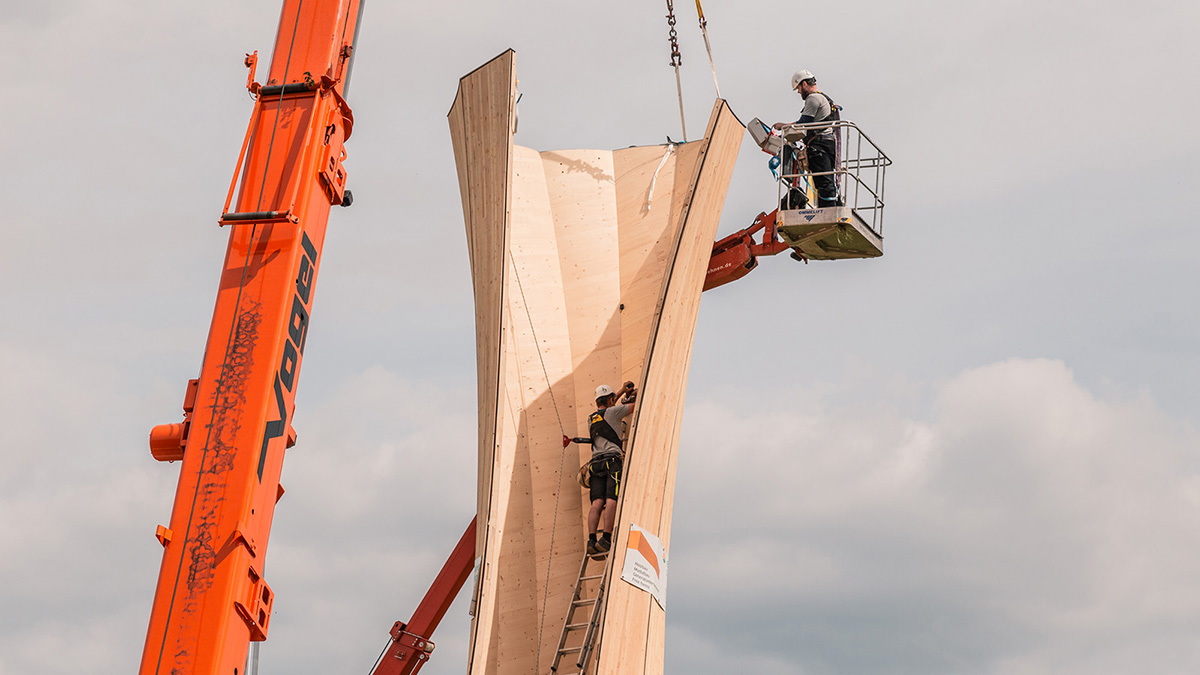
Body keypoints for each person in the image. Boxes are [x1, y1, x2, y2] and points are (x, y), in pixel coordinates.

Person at [773, 69, 842, 208]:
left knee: (823, 182)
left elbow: (804, 123)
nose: (798, 92)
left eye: (798, 88)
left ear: (804, 84)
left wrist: (784, 126)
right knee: (827, 179)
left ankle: (828, 211)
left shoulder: (813, 98)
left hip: (819, 146)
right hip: (827, 143)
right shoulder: (825, 98)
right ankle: (836, 207)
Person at [586, 381, 636, 556]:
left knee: (597, 503)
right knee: (611, 499)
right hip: (612, 462)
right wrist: (632, 394)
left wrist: (621, 391)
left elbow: (608, 408)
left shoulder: (591, 418)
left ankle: (591, 540)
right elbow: (634, 406)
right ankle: (606, 538)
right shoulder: (614, 412)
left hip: (595, 464)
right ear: (610, 399)